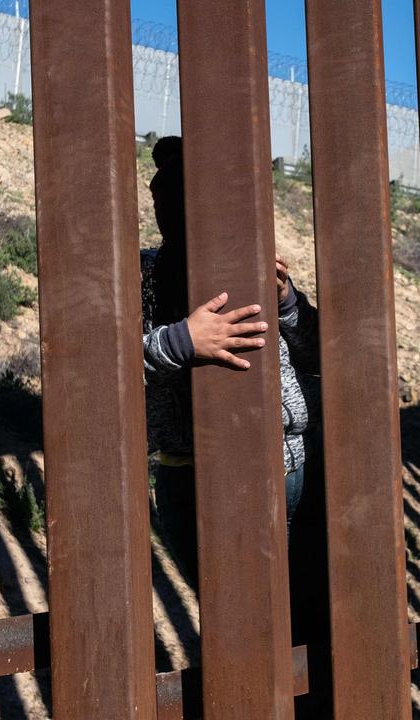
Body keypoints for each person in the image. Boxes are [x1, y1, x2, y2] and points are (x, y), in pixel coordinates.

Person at [140, 136, 320, 589]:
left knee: (291, 617)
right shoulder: (143, 273)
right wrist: (182, 341)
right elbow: (100, 366)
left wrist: (288, 301)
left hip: (277, 468)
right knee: (231, 620)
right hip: (184, 473)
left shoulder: (254, 268)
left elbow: (319, 355)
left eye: (177, 189)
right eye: (158, 190)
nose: (163, 201)